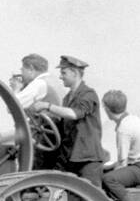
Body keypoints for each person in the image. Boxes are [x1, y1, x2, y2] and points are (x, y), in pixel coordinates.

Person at [31, 55, 107, 184]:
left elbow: (74, 114)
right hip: (70, 157)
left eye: (63, 72)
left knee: (92, 198)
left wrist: (47, 106)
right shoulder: (67, 98)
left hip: (87, 159)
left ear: (75, 73)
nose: (60, 76)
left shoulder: (88, 94)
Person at [14, 53, 64, 170]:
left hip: (41, 138)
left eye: (22, 70)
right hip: (52, 136)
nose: (21, 74)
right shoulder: (53, 81)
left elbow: (14, 106)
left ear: (31, 69)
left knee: (29, 171)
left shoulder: (39, 83)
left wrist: (16, 89)